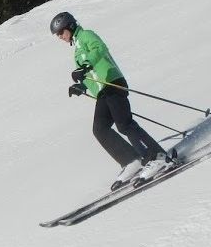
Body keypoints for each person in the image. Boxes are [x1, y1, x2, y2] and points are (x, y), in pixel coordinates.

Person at [49, 12, 172, 190]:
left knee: (125, 124)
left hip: (113, 82)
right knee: (99, 129)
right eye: (58, 35)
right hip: (102, 91)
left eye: (60, 33)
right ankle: (131, 161)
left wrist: (85, 65)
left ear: (69, 27)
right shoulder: (76, 51)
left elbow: (100, 48)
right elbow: (89, 74)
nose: (59, 37)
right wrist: (82, 86)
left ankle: (158, 157)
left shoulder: (86, 35)